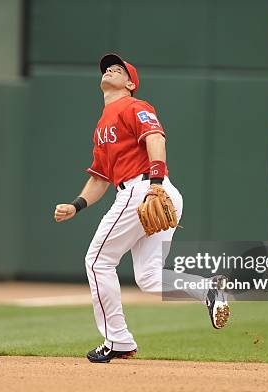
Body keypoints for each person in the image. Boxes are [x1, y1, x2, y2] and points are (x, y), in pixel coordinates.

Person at [53, 53, 230, 363]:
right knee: (148, 277)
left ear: (130, 83)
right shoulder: (102, 125)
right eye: (107, 68)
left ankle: (117, 340)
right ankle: (209, 291)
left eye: (118, 69)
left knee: (97, 261)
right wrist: (77, 205)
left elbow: (156, 138)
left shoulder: (135, 106)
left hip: (146, 189)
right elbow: (99, 178)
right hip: (147, 189)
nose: (109, 70)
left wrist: (156, 183)